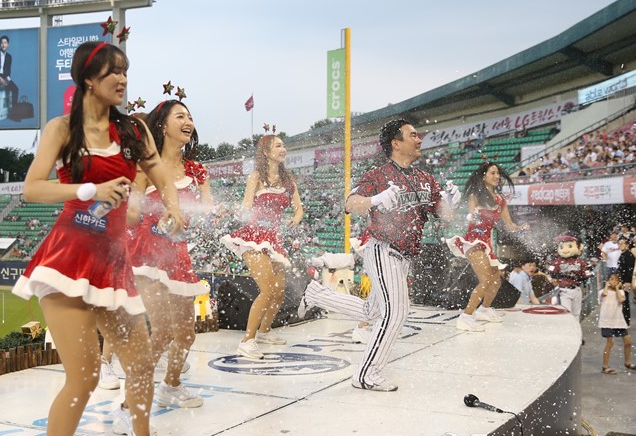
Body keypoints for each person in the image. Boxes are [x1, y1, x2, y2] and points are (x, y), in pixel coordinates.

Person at [11, 41, 181, 436]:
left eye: (125, 71)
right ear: (89, 78)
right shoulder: (60, 129)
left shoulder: (133, 130)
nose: (122, 79)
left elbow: (161, 175)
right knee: (84, 379)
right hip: (67, 261)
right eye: (113, 72)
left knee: (140, 365)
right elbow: (32, 188)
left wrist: (174, 207)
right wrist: (88, 190)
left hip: (113, 264)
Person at [298, 118, 460, 391]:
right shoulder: (379, 175)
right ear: (396, 143)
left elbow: (444, 216)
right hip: (383, 248)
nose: (419, 139)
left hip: (405, 255)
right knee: (395, 313)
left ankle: (317, 294)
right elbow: (351, 203)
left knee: (372, 311)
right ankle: (366, 374)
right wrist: (375, 200)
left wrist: (451, 203)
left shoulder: (425, 179)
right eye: (413, 135)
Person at [116, 99, 210, 419]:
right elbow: (132, 214)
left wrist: (214, 212)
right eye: (180, 116)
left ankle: (171, 385)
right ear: (162, 126)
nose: (188, 121)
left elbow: (205, 210)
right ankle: (129, 403)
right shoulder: (145, 168)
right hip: (147, 257)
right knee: (163, 331)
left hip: (178, 256)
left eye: (190, 116)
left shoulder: (196, 171)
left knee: (186, 334)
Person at [220, 133, 304, 359]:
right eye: (278, 146)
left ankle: (265, 332)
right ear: (266, 152)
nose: (283, 149)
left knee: (279, 292)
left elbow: (299, 208)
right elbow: (246, 206)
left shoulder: (288, 181)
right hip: (254, 237)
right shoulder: (256, 176)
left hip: (274, 240)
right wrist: (233, 210)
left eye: (283, 145)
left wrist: (296, 218)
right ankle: (247, 341)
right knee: (267, 291)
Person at [447, 161, 528, 331]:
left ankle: (484, 309)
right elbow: (471, 215)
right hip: (473, 243)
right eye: (492, 173)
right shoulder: (475, 195)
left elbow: (509, 224)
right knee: (485, 281)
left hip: (487, 245)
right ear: (484, 176)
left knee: (496, 282)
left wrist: (520, 228)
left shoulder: (500, 200)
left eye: (498, 173)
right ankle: (465, 317)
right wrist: (473, 216)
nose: (497, 176)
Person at [598, 273, 636, 374]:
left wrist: (617, 288)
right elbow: (604, 295)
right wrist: (607, 286)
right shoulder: (602, 291)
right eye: (611, 279)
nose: (613, 281)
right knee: (610, 342)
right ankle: (605, 366)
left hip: (618, 320)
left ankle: (627, 362)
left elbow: (621, 300)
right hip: (606, 321)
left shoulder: (621, 292)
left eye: (616, 280)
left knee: (628, 341)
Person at [616, 237, 635, 325]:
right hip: (621, 280)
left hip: (625, 281)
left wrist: (628, 281)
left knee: (625, 301)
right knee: (622, 301)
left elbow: (630, 269)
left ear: (627, 245)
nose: (621, 245)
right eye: (619, 243)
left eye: (623, 243)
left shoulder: (629, 255)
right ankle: (623, 320)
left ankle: (626, 321)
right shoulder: (623, 254)